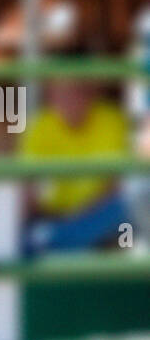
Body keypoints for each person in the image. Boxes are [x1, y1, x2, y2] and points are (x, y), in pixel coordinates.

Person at [20, 77, 130, 254]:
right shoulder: (40, 127)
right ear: (51, 98)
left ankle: (57, 244)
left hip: (98, 215)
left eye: (77, 92)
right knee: (25, 236)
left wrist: (78, 217)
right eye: (62, 94)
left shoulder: (111, 120)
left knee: (125, 206)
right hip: (55, 217)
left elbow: (115, 184)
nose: (70, 100)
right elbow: (29, 189)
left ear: (89, 95)